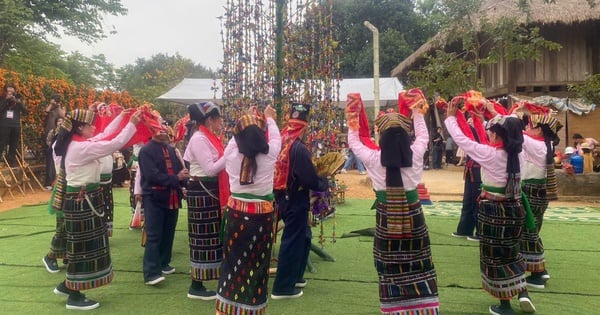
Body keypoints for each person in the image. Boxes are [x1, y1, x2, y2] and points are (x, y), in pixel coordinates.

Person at [346, 91, 439, 314]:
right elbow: (424, 136)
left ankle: (394, 307)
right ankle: (424, 306)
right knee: (419, 258)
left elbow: (353, 141)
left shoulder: (373, 158)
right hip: (414, 214)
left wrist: (353, 119)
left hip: (387, 217)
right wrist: (417, 111)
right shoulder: (416, 154)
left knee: (389, 262)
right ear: (407, 135)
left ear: (381, 136)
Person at [445, 100, 535, 315]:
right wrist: (484, 115)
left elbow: (461, 140)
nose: (490, 135)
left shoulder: (490, 154)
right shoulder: (519, 154)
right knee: (513, 252)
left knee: (494, 256)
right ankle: (523, 293)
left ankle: (504, 305)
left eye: (493, 132)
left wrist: (450, 116)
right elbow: (507, 128)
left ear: (498, 135)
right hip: (515, 208)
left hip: (493, 210)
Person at [49, 108, 141, 310]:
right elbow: (114, 143)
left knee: (83, 246)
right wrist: (132, 123)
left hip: (83, 199)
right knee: (82, 249)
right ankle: (74, 296)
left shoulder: (80, 142)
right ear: (80, 128)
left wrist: (121, 117)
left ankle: (67, 286)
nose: (94, 127)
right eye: (90, 124)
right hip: (82, 201)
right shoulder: (80, 148)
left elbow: (105, 134)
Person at [215, 105, 281, 314]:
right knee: (257, 266)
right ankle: (253, 309)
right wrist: (268, 118)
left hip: (236, 214)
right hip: (262, 218)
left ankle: (226, 309)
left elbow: (235, 139)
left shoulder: (232, 156)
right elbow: (276, 136)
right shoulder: (270, 154)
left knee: (231, 263)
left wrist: (247, 122)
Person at [272, 103, 329, 299]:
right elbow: (309, 179)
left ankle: (295, 276)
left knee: (303, 236)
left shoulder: (281, 141)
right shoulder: (299, 148)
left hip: (283, 196)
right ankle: (283, 287)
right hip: (295, 198)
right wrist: (324, 180)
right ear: (304, 127)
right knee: (292, 240)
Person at [183, 101, 229, 299]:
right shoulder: (199, 138)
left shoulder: (209, 137)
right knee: (202, 238)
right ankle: (196, 285)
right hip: (203, 191)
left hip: (210, 190)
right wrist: (230, 153)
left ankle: (208, 279)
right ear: (209, 120)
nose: (221, 122)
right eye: (218, 118)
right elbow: (210, 168)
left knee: (213, 237)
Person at [137, 123, 189, 286]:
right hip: (154, 196)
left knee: (168, 231)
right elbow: (152, 176)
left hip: (171, 195)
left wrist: (182, 188)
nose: (163, 131)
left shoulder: (172, 150)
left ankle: (163, 263)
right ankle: (151, 272)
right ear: (152, 131)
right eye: (159, 129)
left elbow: (177, 172)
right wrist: (177, 179)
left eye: (165, 128)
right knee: (154, 234)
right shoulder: (146, 151)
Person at [518, 110, 562, 290]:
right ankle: (541, 269)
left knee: (529, 232)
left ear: (540, 131)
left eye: (531, 126)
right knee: (533, 229)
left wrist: (511, 114)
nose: (528, 128)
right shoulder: (547, 144)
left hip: (531, 189)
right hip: (540, 190)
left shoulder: (536, 145)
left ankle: (537, 274)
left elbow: (513, 131)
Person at [0, 84, 28, 165]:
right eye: (8, 92)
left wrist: (19, 102)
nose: (10, 94)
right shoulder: (2, 98)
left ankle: (11, 161)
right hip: (4, 124)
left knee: (13, 144)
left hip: (15, 125)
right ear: (5, 92)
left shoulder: (18, 98)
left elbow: (25, 112)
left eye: (12, 92)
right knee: (2, 143)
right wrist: (6, 100)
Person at [43, 95, 66, 189]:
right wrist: (51, 105)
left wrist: (58, 106)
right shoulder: (50, 110)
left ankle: (59, 183)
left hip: (59, 141)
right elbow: (45, 112)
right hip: (50, 137)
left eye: (54, 101)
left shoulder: (60, 110)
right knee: (50, 164)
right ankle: (49, 183)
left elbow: (63, 116)